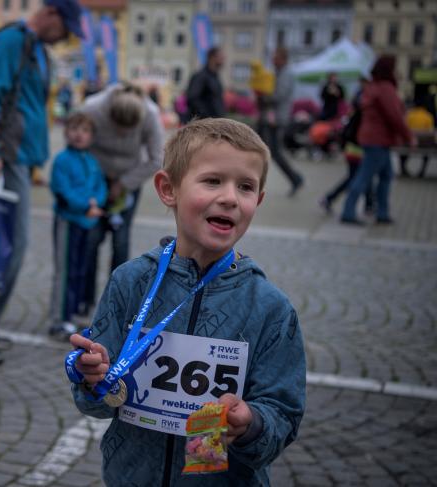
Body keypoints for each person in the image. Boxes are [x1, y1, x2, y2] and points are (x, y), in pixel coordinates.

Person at [68, 118, 305, 485]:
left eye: (245, 187)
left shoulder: (271, 309)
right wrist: (93, 377)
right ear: (168, 189)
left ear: (257, 201)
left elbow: (283, 414)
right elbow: (99, 401)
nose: (230, 197)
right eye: (212, 181)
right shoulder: (130, 282)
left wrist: (251, 424)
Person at [0, 0, 84, 366]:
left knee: (0, 245)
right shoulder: (13, 41)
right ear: (51, 14)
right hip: (5, 157)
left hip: (19, 158)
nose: (65, 38)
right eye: (65, 29)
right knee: (8, 248)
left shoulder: (35, 47)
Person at [76, 82, 164, 319]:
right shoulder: (92, 108)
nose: (123, 134)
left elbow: (156, 159)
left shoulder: (151, 114)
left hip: (129, 182)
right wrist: (93, 181)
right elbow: (78, 146)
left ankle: (116, 301)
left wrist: (123, 183)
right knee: (91, 239)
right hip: (96, 180)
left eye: (129, 130)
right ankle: (84, 298)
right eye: (119, 127)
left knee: (120, 241)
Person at [48, 112, 107, 340]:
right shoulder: (62, 160)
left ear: (92, 136)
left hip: (87, 222)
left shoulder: (92, 161)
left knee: (81, 269)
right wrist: (85, 206)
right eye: (74, 129)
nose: (79, 134)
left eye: (84, 130)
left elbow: (100, 187)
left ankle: (72, 313)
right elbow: (62, 190)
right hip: (68, 221)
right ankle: (59, 319)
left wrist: (96, 202)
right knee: (65, 271)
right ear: (66, 132)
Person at [341, 55, 414, 225]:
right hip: (379, 139)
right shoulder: (385, 89)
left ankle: (382, 212)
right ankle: (349, 211)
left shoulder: (372, 87)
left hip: (371, 137)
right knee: (364, 176)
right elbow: (395, 116)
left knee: (386, 175)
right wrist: (408, 137)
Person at [319, 76, 374, 214]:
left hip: (354, 147)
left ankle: (369, 204)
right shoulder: (364, 107)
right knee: (357, 177)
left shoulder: (359, 102)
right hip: (356, 148)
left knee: (361, 176)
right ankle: (330, 199)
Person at [258, 47, 304, 196]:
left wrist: (263, 94)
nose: (273, 60)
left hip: (276, 119)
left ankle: (295, 179)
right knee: (263, 149)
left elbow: (279, 95)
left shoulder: (286, 74)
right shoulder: (279, 73)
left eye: (275, 58)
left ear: (283, 59)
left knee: (275, 152)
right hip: (270, 118)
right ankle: (295, 178)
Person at [185, 46, 225, 120]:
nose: (223, 59)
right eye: (221, 57)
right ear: (212, 57)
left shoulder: (215, 77)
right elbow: (192, 98)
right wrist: (206, 116)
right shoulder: (200, 76)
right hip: (204, 122)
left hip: (215, 121)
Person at [400, 100, 435, 178]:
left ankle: (403, 168)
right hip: (424, 144)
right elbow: (430, 131)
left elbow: (405, 128)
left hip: (409, 143)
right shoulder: (428, 116)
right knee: (427, 152)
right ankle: (422, 170)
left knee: (403, 149)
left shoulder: (410, 115)